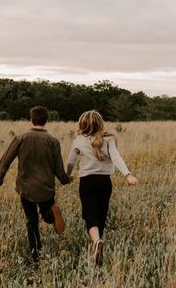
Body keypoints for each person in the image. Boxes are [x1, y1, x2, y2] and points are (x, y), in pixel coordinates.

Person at [0, 106, 71, 262]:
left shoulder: (21, 138)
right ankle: (52, 213)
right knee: (47, 216)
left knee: (32, 221)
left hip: (26, 189)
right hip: (46, 189)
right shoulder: (53, 141)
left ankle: (36, 256)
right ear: (46, 120)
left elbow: (6, 160)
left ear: (31, 119)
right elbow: (58, 168)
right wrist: (65, 179)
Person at [67, 110, 138, 266]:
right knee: (101, 215)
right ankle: (97, 248)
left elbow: (71, 162)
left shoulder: (79, 139)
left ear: (82, 124)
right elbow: (116, 157)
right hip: (104, 182)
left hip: (87, 182)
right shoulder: (109, 139)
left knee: (89, 215)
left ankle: (97, 242)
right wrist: (127, 175)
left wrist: (66, 176)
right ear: (100, 123)